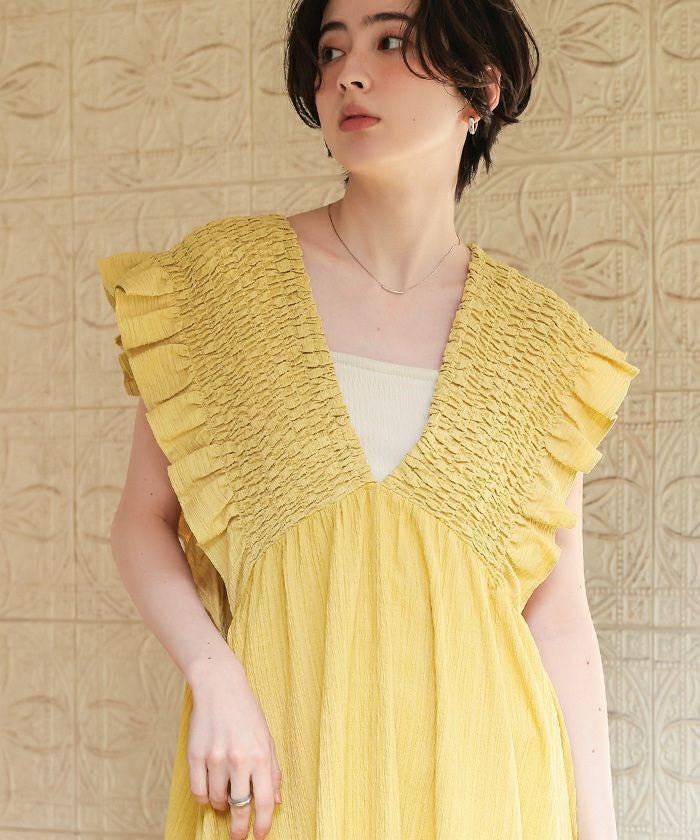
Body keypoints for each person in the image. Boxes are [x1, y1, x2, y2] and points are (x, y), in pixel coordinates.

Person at [98, 0, 640, 838]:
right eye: (330, 51)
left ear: (482, 87)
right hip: (278, 778)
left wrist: (598, 831)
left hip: (491, 793)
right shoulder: (221, 286)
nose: (348, 73)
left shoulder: (542, 345)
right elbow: (142, 522)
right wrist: (215, 676)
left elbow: (559, 617)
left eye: (391, 41)